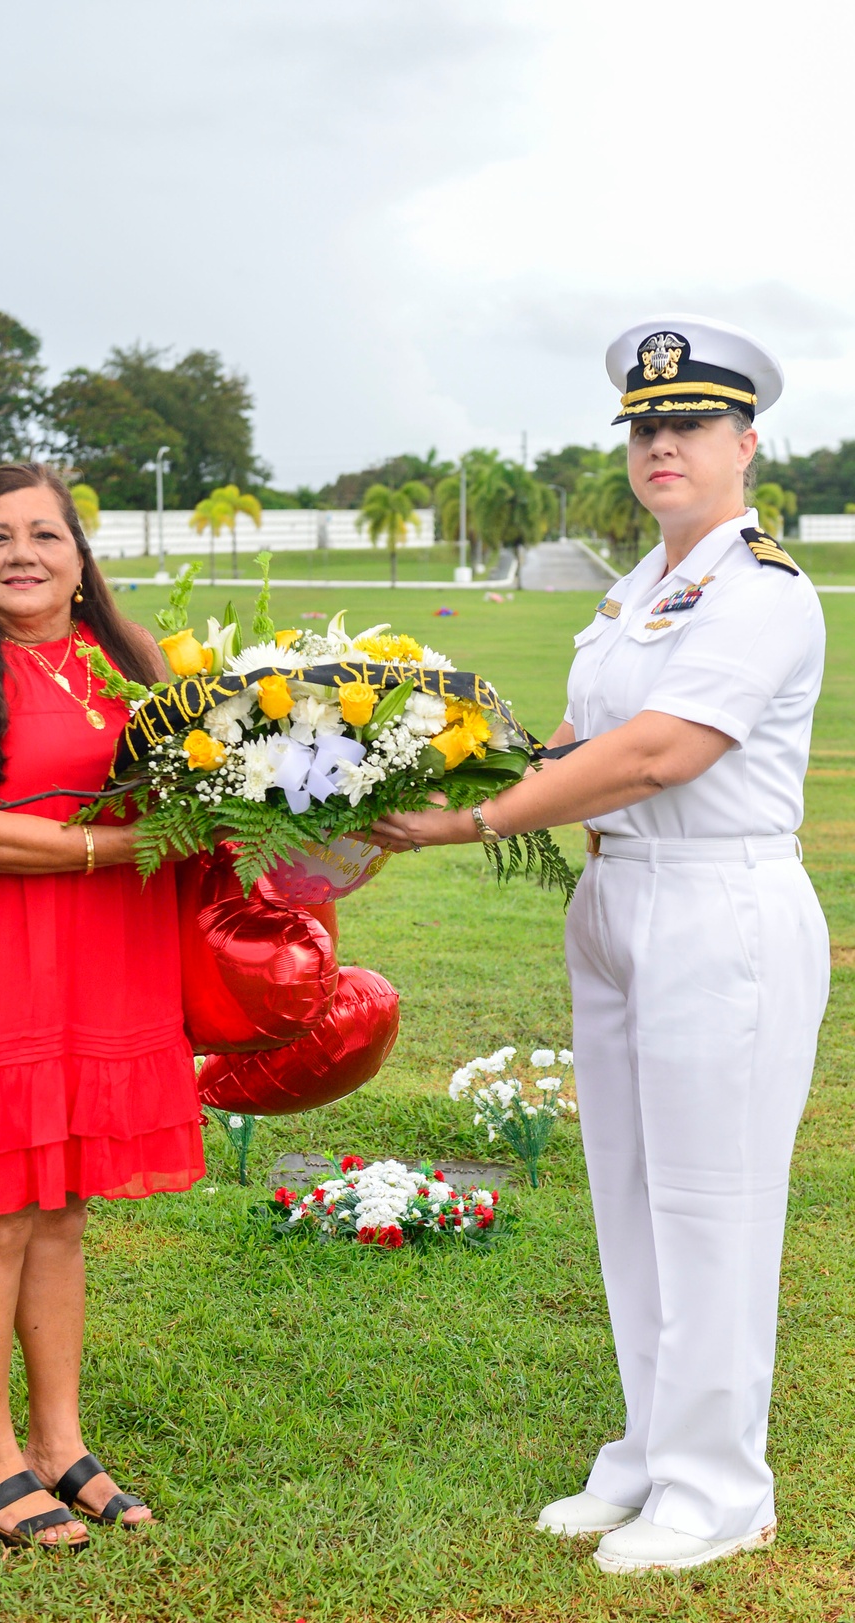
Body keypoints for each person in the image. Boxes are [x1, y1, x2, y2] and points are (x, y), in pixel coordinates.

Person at [371, 317, 830, 1575]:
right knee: (632, 1198)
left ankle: (721, 1487)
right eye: (643, 425)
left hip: (717, 904)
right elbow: (576, 744)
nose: (661, 443)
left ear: (745, 443)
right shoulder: (640, 593)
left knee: (713, 1204)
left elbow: (655, 754)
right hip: (621, 901)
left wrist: (462, 820)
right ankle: (649, 1453)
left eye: (687, 423)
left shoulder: (761, 594)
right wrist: (391, 780)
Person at [0, 464, 205, 1549]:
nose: (21, 553)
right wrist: (124, 846)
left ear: (78, 555)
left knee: (63, 1212)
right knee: (1, 1215)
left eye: (43, 535)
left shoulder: (130, 658)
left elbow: (195, 789)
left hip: (104, 960)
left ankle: (59, 1445)